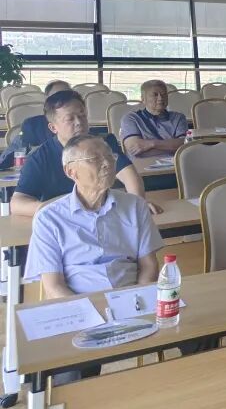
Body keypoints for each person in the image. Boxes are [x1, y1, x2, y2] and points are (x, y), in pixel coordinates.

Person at [23, 133, 164, 384]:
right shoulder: (49, 218)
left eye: (110, 156)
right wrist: (89, 317)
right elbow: (54, 286)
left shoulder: (134, 206)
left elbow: (149, 266)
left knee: (194, 333)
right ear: (71, 172)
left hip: (130, 299)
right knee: (69, 373)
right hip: (80, 306)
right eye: (95, 159)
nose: (108, 163)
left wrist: (136, 303)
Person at [11, 90, 159, 218]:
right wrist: (55, 210)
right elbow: (17, 203)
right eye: (70, 119)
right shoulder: (39, 158)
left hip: (103, 213)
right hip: (63, 220)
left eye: (82, 115)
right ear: (53, 127)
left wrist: (138, 203)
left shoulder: (103, 143)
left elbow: (129, 175)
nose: (79, 122)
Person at [0, 79, 70, 169]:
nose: (63, 101)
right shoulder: (32, 126)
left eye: (68, 96)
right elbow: (6, 160)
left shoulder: (80, 124)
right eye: (57, 97)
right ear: (47, 101)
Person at [119, 79, 188, 159]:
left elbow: (184, 145)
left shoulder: (178, 118)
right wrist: (172, 147)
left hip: (175, 164)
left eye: (164, 94)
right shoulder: (131, 119)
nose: (160, 98)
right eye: (155, 95)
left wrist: (152, 144)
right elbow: (134, 149)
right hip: (143, 164)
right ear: (143, 99)